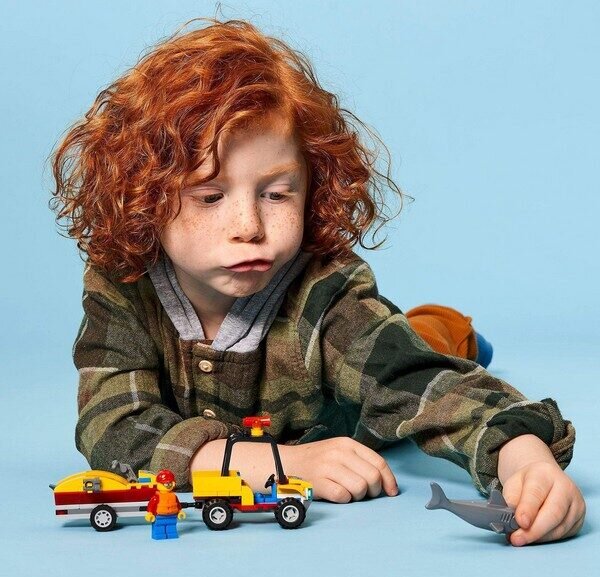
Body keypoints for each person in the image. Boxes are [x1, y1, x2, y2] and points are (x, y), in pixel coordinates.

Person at [49, 17, 584, 547]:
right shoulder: (123, 287)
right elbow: (113, 426)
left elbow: (422, 386)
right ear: (143, 200)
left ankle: (451, 330)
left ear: (312, 186)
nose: (249, 227)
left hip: (363, 384)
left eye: (276, 194)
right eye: (210, 197)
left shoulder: (326, 293)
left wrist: (524, 458)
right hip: (280, 443)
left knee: (418, 347)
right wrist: (282, 464)